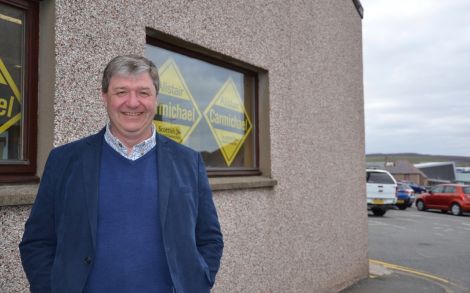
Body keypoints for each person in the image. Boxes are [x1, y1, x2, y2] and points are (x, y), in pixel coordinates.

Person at [19, 55, 224, 293]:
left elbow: (209, 239)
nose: (133, 103)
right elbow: (38, 241)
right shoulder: (64, 160)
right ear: (104, 96)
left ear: (156, 99)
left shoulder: (189, 162)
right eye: (121, 92)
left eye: (143, 93)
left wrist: (199, 281)